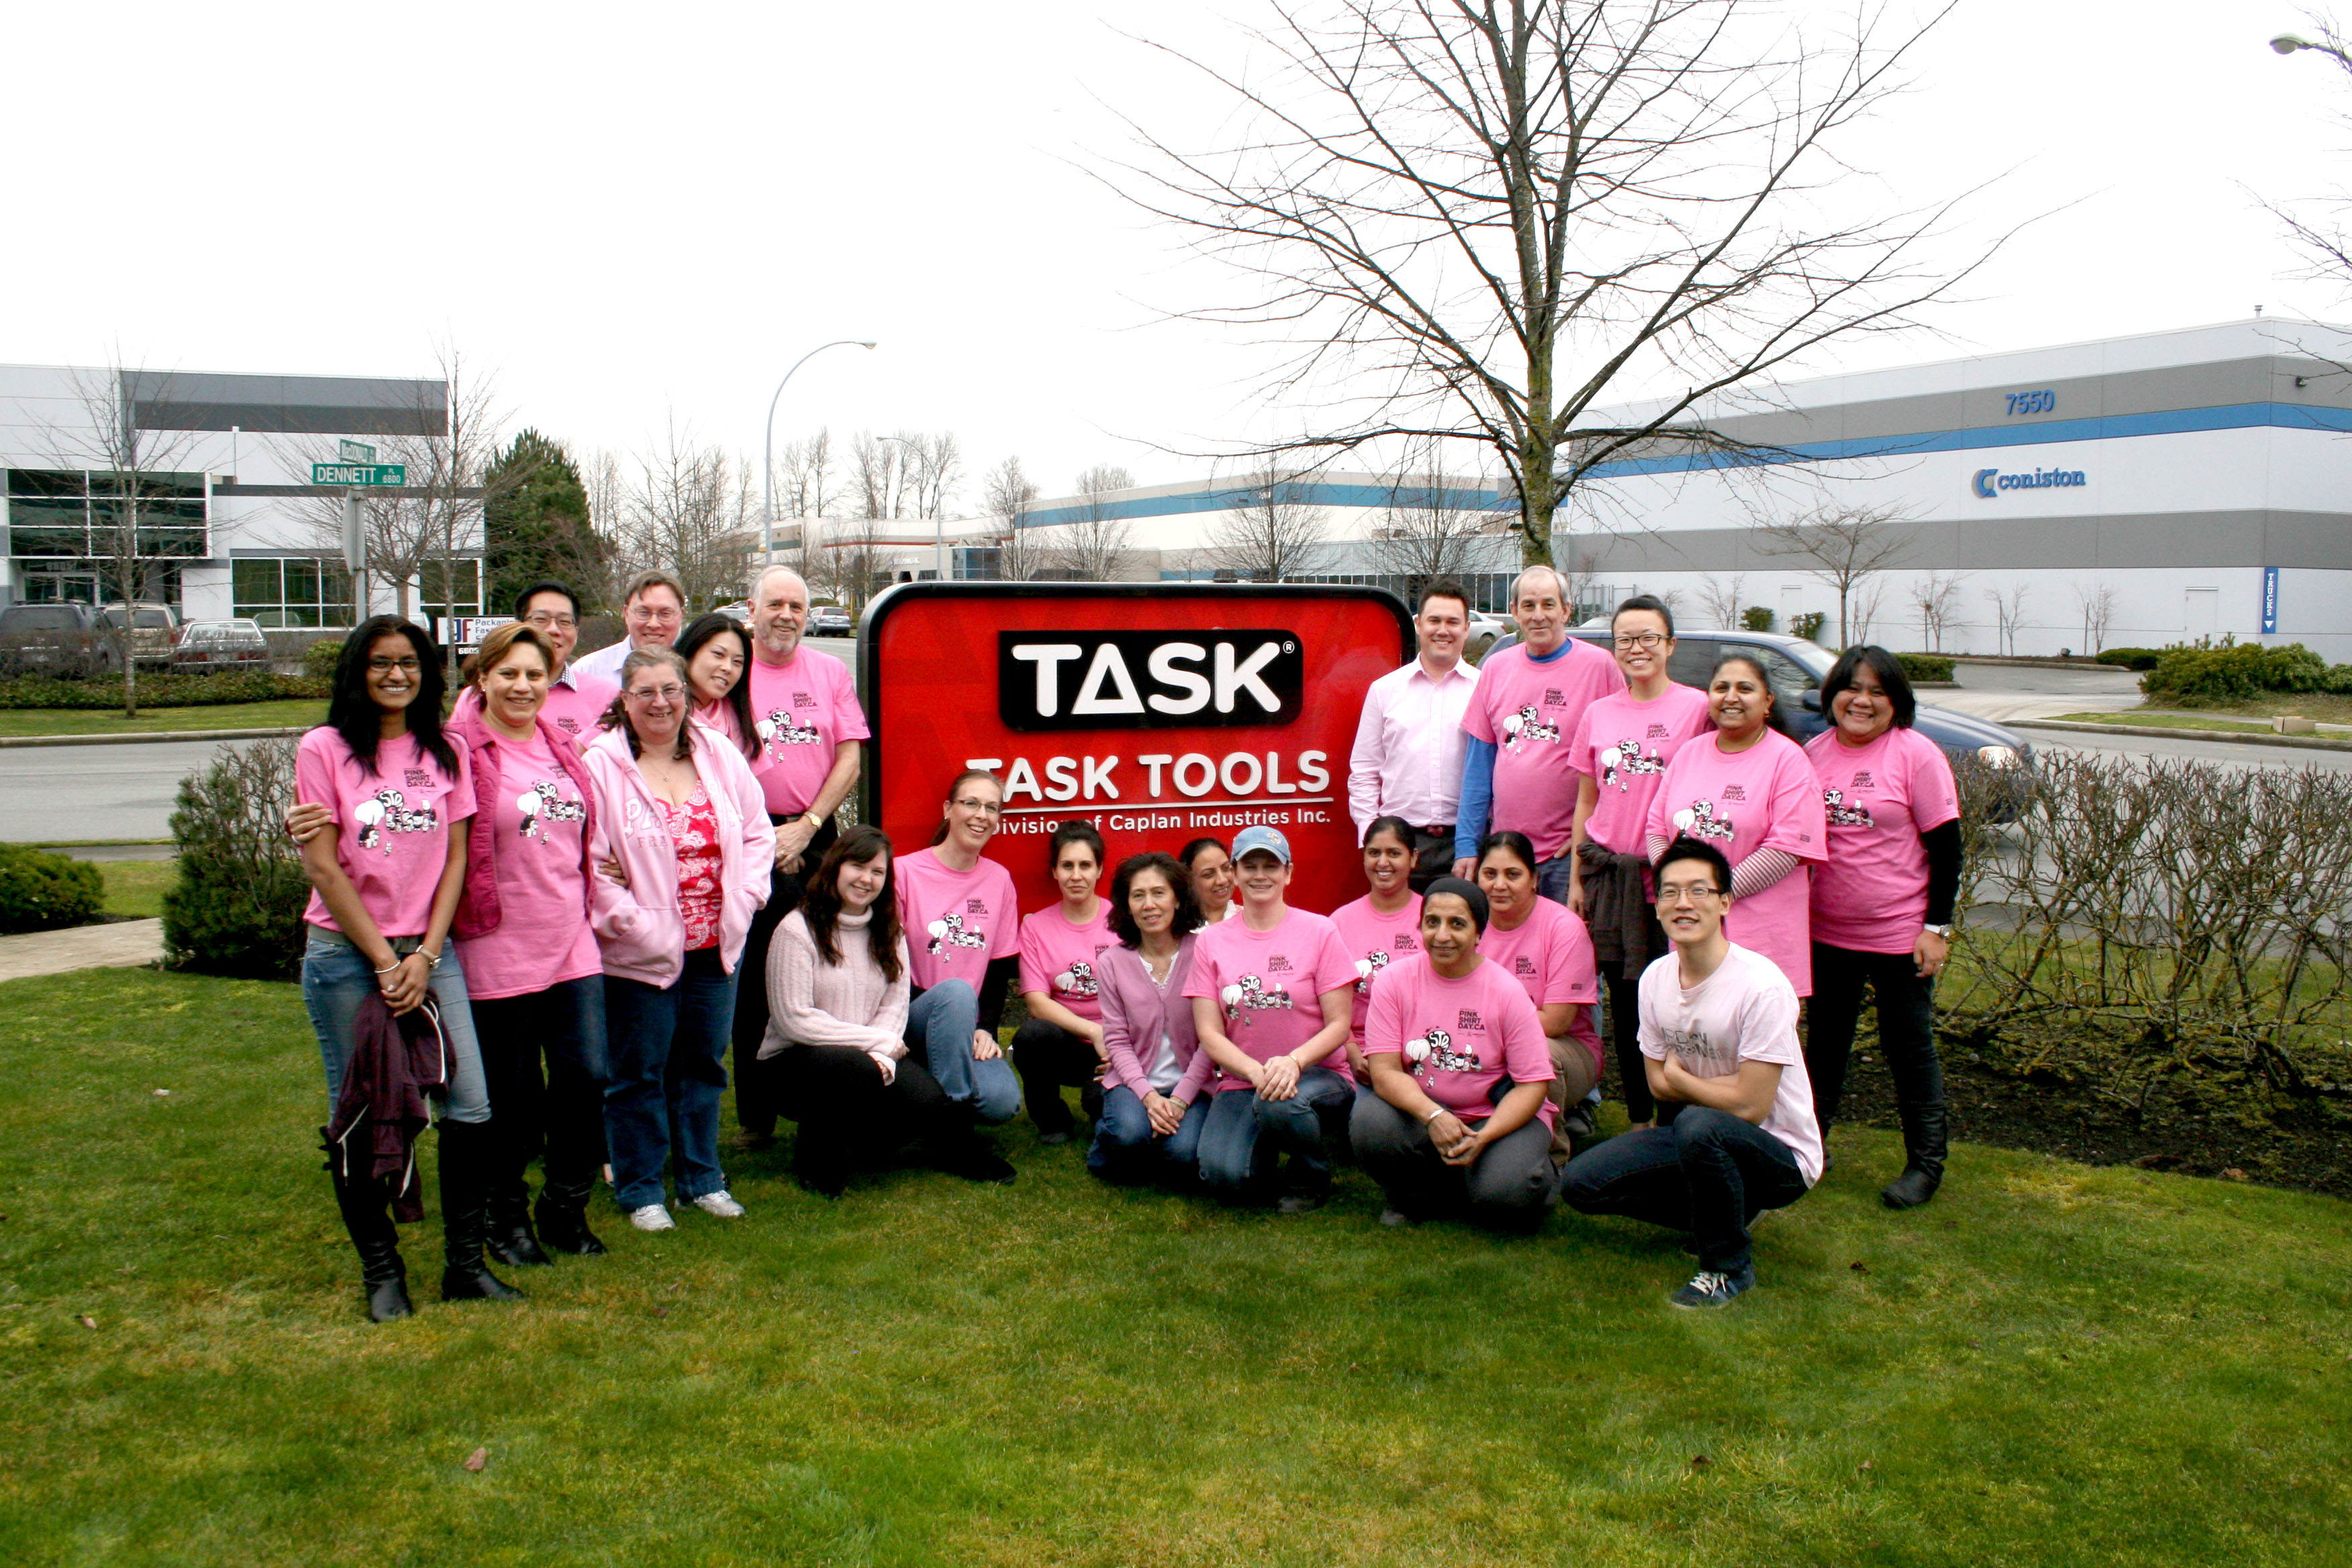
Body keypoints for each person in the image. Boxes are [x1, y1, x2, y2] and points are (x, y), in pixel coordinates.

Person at [293, 615, 513, 1319]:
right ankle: (382, 1272)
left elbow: (456, 857)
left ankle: (466, 1267)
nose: (396, 674)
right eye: (381, 662)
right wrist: (388, 961)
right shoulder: (324, 749)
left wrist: (425, 953)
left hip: (429, 953)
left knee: (471, 1104)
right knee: (360, 1112)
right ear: (358, 670)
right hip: (346, 957)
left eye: (410, 662)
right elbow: (323, 867)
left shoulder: (446, 749)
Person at [1559, 838, 1823, 1308]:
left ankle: (1727, 1267)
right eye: (1671, 892)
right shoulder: (1655, 980)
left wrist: (1685, 1083)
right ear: (1658, 906)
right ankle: (1727, 1211)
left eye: (1699, 891)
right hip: (1700, 1138)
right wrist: (1702, 1088)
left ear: (1725, 902)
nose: (1684, 903)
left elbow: (1751, 1105)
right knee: (1582, 1184)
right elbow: (1656, 1084)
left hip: (1780, 1154)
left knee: (1698, 1123)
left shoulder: (1762, 987)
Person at [584, 648, 775, 1231]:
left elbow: (758, 832)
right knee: (638, 1073)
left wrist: (746, 897)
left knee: (703, 1067)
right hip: (640, 950)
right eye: (645, 692)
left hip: (716, 944)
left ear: (686, 696)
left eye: (670, 690)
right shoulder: (600, 766)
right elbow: (589, 860)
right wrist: (633, 924)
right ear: (625, 700)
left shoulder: (717, 753)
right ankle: (642, 1189)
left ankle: (702, 1180)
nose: (660, 703)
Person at [444, 623, 611, 1264]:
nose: (522, 686)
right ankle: (505, 1219)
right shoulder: (459, 750)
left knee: (586, 1077)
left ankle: (565, 1208)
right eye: (509, 673)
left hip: (571, 939)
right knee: (513, 1099)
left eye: (535, 675)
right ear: (482, 677)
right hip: (496, 943)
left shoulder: (558, 744)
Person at [1804, 646, 1963, 1209]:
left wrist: (1937, 928)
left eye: (1877, 691)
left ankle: (1926, 1164)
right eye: (1852, 688)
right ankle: (1810, 1148)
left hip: (1899, 934)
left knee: (1909, 1049)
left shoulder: (1917, 756)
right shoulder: (1813, 753)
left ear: (1896, 701)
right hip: (1825, 933)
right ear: (1833, 695)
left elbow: (1947, 849)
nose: (1862, 701)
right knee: (1824, 1047)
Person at [731, 565, 869, 1148]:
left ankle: (829, 1092)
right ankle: (756, 1116)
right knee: (755, 980)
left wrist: (807, 826)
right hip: (748, 835)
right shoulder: (733, 669)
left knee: (825, 968)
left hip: (816, 832)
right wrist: (768, 839)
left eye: (796, 606)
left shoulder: (829, 671)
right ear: (752, 610)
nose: (786, 616)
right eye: (775, 604)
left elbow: (850, 757)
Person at [1567, 594, 1713, 1130]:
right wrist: (1577, 881)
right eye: (1626, 639)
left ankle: (1680, 1119)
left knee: (1678, 1003)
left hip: (1671, 883)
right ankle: (1639, 1121)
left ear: (1670, 645)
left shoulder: (1697, 708)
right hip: (1611, 879)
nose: (1637, 648)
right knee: (1626, 1004)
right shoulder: (1599, 713)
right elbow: (1587, 800)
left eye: (1649, 637)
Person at [759, 826, 962, 1199]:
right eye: (858, 866)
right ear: (836, 867)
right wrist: (875, 1044)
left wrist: (879, 1054)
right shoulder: (796, 930)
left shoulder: (890, 931)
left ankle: (867, 1144)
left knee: (926, 1102)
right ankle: (816, 1161)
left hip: (868, 1057)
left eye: (877, 872)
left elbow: (895, 1003)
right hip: (792, 1061)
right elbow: (794, 1019)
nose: (866, 879)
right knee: (851, 1069)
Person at [1352, 878, 1559, 1231]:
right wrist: (1433, 1115)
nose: (1442, 935)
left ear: (1479, 933)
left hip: (1495, 1118)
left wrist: (1485, 1137)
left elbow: (1533, 1085)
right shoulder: (1393, 981)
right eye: (1432, 922)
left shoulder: (1507, 991)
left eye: (1457, 924)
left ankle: (1535, 1176)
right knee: (1370, 1121)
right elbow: (1384, 1072)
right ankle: (1414, 1197)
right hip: (1424, 1113)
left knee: (1504, 1197)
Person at [1183, 826, 1358, 1212]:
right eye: (1250, 866)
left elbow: (1339, 1026)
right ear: (1234, 873)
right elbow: (1209, 1033)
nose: (1260, 875)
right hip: (1244, 1081)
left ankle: (1309, 1175)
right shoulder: (1211, 941)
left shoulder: (1320, 931)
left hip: (1317, 1076)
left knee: (1279, 1105)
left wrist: (1293, 1062)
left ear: (1288, 873)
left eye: (1271, 866)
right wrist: (1255, 1072)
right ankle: (1266, 1147)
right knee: (1224, 1177)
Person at [1643, 652, 1828, 997]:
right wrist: (1681, 888)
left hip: (1762, 938)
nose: (1731, 697)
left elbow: (1785, 848)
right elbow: (1656, 827)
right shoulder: (1690, 753)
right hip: (1692, 930)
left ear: (1767, 701)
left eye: (1745, 688)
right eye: (1721, 688)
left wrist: (1712, 895)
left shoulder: (1788, 760)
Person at [1454, 565, 1626, 896]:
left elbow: (1617, 766)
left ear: (1566, 610)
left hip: (1568, 854)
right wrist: (1467, 845)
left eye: (1549, 604)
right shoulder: (1496, 668)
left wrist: (1591, 834)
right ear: (1515, 611)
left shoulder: (1600, 666)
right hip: (1507, 852)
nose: (1538, 615)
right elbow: (1478, 767)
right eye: (1529, 606)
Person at [893, 769, 1024, 1182]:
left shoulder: (999, 880)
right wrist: (952, 1019)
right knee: (955, 993)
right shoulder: (903, 872)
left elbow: (999, 967)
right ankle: (955, 1137)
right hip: (910, 1018)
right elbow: (887, 965)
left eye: (992, 808)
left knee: (1002, 1101)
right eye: (971, 803)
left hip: (966, 1026)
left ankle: (931, 1100)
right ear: (948, 809)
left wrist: (985, 1028)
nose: (981, 815)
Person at [1088, 852, 1214, 1185]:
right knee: (1128, 1135)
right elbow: (1116, 1040)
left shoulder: (1204, 953)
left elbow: (1212, 1039)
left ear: (1177, 899)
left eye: (1159, 893)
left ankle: (1151, 1141)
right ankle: (1115, 1138)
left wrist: (1180, 1100)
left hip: (1193, 1085)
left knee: (1184, 1153)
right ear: (1127, 905)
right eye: (1138, 895)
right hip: (1133, 1084)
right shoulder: (1112, 962)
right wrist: (1149, 1097)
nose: (1149, 905)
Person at [1474, 830, 1601, 1159]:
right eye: (1490, 874)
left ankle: (1548, 1158)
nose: (1499, 885)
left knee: (1537, 1053)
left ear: (1534, 879)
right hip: (1481, 1039)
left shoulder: (1563, 927)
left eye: (1512, 874)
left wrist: (1477, 1026)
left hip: (1564, 1048)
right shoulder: (1469, 926)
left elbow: (1556, 1022)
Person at [1348, 583, 1481, 890]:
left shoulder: (1485, 688)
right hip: (1400, 844)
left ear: (1466, 629)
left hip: (1468, 845)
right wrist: (1372, 836)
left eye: (1453, 622)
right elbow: (1364, 771)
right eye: (1434, 621)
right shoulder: (1385, 690)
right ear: (1418, 624)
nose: (1443, 630)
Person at [1012, 820, 1118, 1144]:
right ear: (1054, 871)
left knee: (1100, 1107)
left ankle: (1104, 1101)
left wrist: (1115, 1040)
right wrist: (1093, 1032)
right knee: (1032, 1036)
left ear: (1099, 870)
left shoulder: (1122, 922)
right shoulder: (1035, 927)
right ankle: (1053, 1121)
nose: (1076, 875)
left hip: (1118, 1044)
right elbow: (1036, 1002)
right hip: (1067, 1044)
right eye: (1067, 866)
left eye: (1085, 865)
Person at [450, 581, 618, 748]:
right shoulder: (476, 697)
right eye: (541, 619)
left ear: (577, 632)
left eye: (565, 621)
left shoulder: (607, 696)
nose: (553, 630)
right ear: (519, 625)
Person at [1328, 816, 1424, 1085]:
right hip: (1358, 1058)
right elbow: (1328, 1006)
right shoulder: (1339, 923)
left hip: (1422, 1055)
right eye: (1374, 853)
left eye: (1394, 853)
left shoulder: (1433, 917)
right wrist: (1353, 1054)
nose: (1383, 862)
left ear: (1413, 858)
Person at [570, 569, 688, 687]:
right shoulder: (587, 671)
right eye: (643, 612)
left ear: (681, 615)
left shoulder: (693, 673)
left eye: (665, 613)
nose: (653, 624)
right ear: (626, 613)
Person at [675, 611, 756, 761]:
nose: (728, 668)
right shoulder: (665, 712)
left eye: (737, 662)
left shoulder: (739, 718)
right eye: (719, 654)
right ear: (691, 651)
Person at [1181, 837, 1236, 926]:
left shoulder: (1251, 920)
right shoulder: (1177, 927)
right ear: (1189, 880)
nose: (1222, 880)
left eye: (1226, 868)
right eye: (1208, 874)